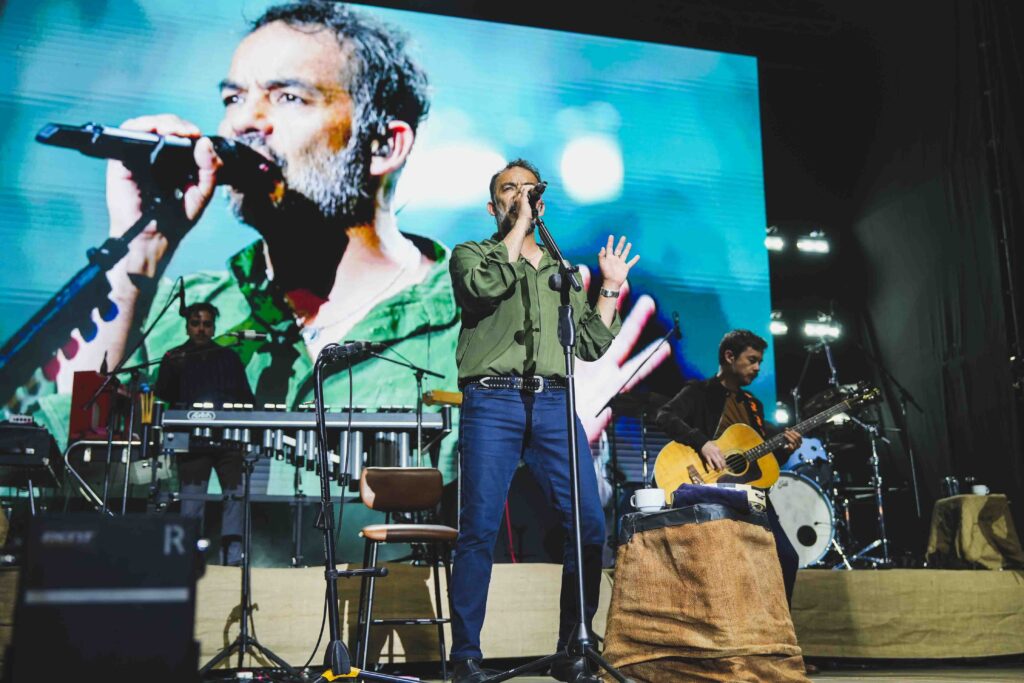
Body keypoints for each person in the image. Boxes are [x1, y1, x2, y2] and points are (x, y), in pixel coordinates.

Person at [31, 0, 667, 491]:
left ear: (385, 146)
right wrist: (136, 255)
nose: (242, 121)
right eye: (233, 97)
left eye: (287, 96)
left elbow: (516, 536)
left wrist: (557, 444)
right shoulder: (176, 312)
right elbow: (58, 478)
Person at [448, 159, 640, 683]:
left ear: (543, 203)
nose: (519, 195)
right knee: (479, 529)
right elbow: (483, 289)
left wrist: (609, 287)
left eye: (528, 189)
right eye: (508, 190)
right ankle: (465, 656)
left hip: (555, 403)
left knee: (588, 525)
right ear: (494, 206)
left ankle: (572, 649)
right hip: (493, 402)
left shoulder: (562, 269)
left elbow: (595, 343)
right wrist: (515, 227)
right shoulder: (472, 254)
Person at [655, 329, 802, 603]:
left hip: (749, 496)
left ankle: (775, 632)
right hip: (708, 492)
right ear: (729, 356)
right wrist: (702, 442)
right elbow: (664, 415)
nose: (757, 367)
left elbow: (758, 465)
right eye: (752, 359)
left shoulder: (753, 406)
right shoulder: (699, 391)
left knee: (786, 557)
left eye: (760, 361)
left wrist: (784, 451)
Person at [154, 302, 254, 565]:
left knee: (235, 497)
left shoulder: (229, 358)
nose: (200, 328)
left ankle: (232, 560)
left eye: (206, 324)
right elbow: (162, 395)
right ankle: (187, 560)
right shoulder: (174, 357)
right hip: (193, 441)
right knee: (191, 500)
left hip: (228, 441)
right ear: (187, 326)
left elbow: (246, 398)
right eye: (195, 323)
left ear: (213, 327)